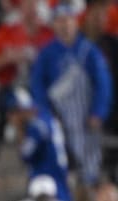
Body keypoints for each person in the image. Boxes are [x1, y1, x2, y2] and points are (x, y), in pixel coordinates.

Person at [30, 2, 112, 186]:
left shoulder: (89, 50)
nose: (64, 25)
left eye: (68, 20)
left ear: (75, 22)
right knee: (62, 160)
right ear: (54, 25)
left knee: (89, 161)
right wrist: (45, 113)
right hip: (58, 116)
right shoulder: (46, 53)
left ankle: (88, 194)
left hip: (85, 117)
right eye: (59, 21)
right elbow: (37, 85)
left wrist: (98, 112)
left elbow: (103, 83)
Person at [3, 87, 71, 201]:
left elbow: (26, 155)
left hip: (46, 177)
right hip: (56, 174)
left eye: (15, 112)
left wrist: (19, 130)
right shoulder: (46, 117)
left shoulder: (37, 126)